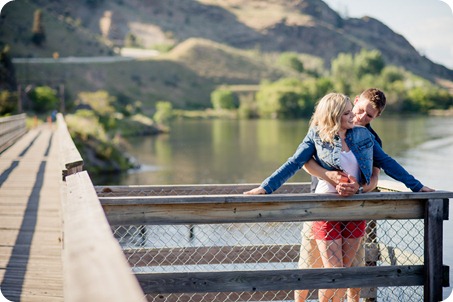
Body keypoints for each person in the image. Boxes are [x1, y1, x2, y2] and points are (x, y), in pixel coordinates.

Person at [244, 92, 434, 302]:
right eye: (349, 112)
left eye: (363, 114)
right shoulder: (316, 135)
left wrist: (417, 187)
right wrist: (265, 188)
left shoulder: (365, 136)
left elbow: (387, 164)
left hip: (354, 210)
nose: (355, 116)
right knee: (332, 272)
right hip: (325, 209)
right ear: (334, 115)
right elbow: (295, 163)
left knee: (345, 273)